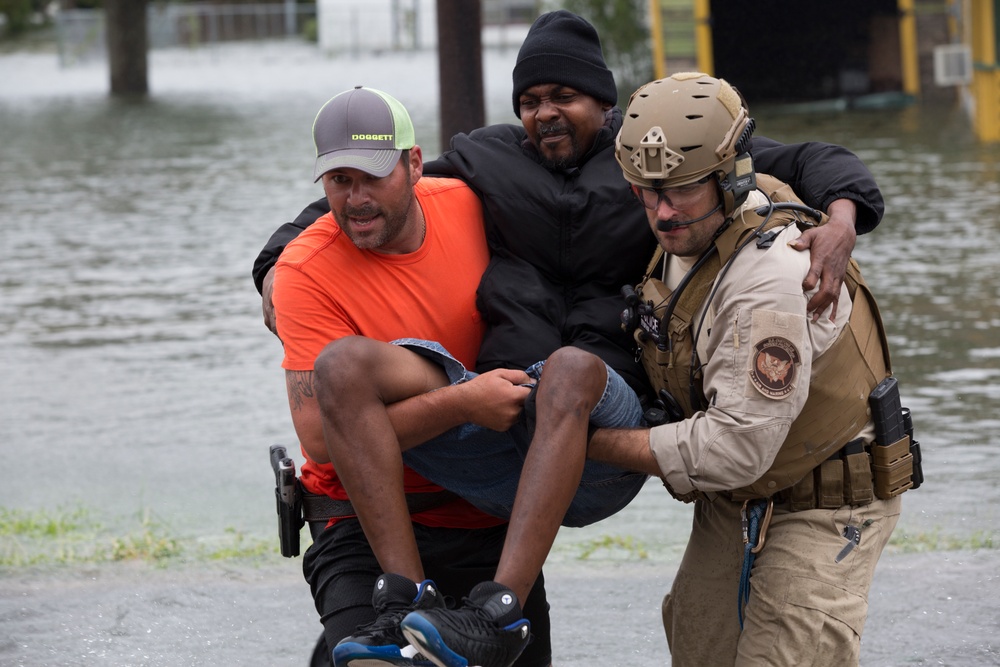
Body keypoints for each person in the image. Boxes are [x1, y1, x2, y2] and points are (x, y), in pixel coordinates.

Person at [258, 11, 888, 667]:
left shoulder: (653, 164)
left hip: (592, 404)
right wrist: (276, 265)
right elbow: (367, 192)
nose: (544, 113)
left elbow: (807, 159)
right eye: (530, 101)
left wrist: (843, 216)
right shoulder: (486, 160)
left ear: (605, 103)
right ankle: (400, 595)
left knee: (566, 369)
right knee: (344, 367)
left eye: (564, 96)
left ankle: (499, 608)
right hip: (506, 413)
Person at [558, 73, 905, 665]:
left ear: (731, 177)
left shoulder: (770, 279)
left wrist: (591, 443)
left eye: (681, 192)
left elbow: (735, 448)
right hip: (740, 499)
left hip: (828, 500)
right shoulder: (688, 234)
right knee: (698, 646)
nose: (662, 214)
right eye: (646, 191)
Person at [274, 85, 556, 667]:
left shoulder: (472, 206)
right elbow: (324, 441)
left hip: (482, 515)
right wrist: (462, 402)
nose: (356, 200)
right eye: (339, 181)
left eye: (373, 177)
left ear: (415, 164)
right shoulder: (303, 271)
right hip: (354, 517)